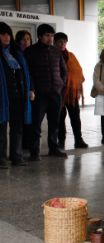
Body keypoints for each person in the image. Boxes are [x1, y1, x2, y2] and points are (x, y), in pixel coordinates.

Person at [24, 24, 67, 160]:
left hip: (55, 93)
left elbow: (63, 70)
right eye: (47, 35)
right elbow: (28, 73)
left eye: (52, 36)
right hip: (39, 94)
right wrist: (32, 88)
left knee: (54, 123)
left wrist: (60, 84)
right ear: (40, 36)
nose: (50, 38)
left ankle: (53, 149)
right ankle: (34, 152)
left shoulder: (56, 51)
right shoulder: (30, 51)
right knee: (36, 124)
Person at [0, 22, 33, 168]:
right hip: (2, 98)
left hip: (18, 97)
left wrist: (30, 90)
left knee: (17, 128)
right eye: (2, 34)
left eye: (8, 34)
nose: (6, 37)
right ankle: (1, 159)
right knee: (1, 129)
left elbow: (26, 74)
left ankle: (16, 156)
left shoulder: (16, 53)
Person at [53, 32, 88, 149]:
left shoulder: (71, 55)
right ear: (55, 42)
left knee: (75, 118)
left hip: (71, 93)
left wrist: (74, 83)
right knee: (59, 119)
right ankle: (61, 141)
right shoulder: (51, 54)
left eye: (64, 42)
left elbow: (78, 70)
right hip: (58, 93)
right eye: (60, 42)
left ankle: (79, 140)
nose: (62, 44)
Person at [15, 30, 33, 151]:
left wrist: (32, 89)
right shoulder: (15, 55)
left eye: (28, 39)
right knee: (19, 122)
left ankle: (27, 144)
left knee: (30, 120)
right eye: (23, 39)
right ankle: (19, 147)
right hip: (20, 93)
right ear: (18, 41)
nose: (26, 41)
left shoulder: (32, 54)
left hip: (31, 92)